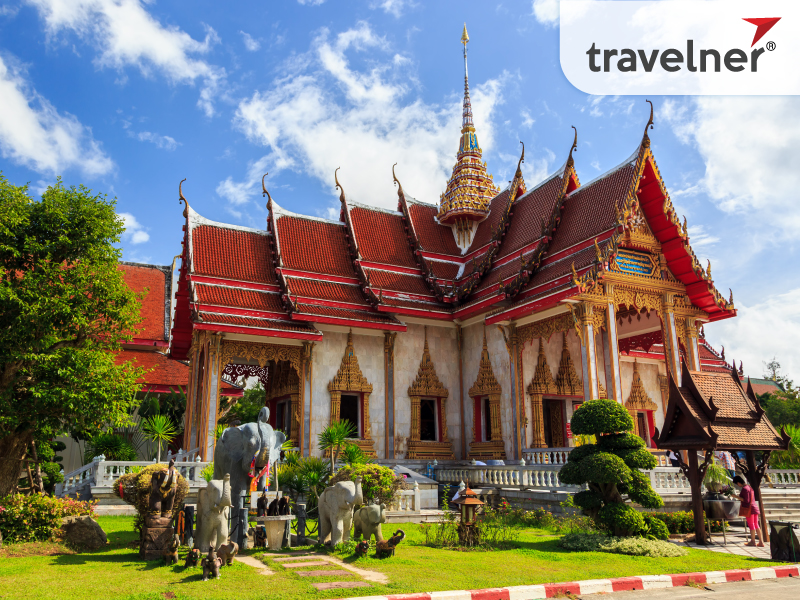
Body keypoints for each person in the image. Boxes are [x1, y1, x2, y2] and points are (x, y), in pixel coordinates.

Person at [733, 475, 764, 547]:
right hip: (754, 508)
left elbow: (746, 500)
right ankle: (761, 542)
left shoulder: (744, 489)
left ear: (738, 483)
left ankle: (753, 541)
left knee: (751, 525)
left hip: (749, 509)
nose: (738, 485)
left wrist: (735, 496)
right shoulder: (749, 487)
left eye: (737, 484)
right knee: (756, 524)